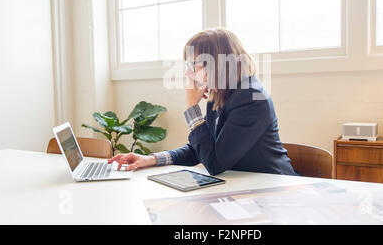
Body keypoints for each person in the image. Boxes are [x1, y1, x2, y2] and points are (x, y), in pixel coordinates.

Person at [108, 29, 298, 176]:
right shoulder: (222, 93)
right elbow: (201, 149)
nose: (187, 73)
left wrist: (192, 108)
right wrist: (151, 159)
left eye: (193, 65)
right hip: (243, 186)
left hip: (273, 188)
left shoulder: (251, 99)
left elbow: (214, 163)